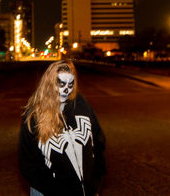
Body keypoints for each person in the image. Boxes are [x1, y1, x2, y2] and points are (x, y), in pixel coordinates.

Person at [18, 60, 106, 196]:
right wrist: (53, 187)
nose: (66, 89)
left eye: (70, 85)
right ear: (50, 83)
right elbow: (27, 161)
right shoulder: (35, 115)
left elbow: (99, 140)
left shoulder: (81, 105)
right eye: (61, 84)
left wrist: (95, 179)